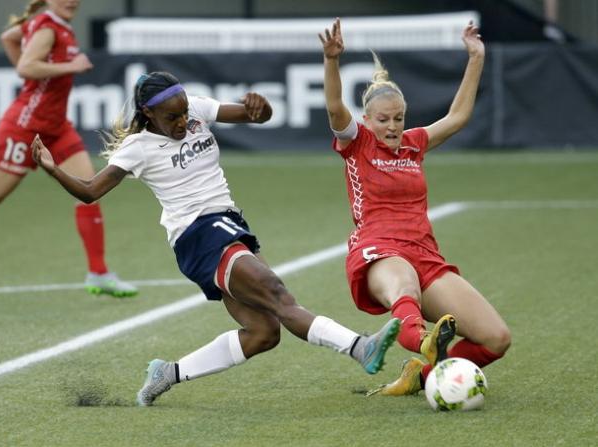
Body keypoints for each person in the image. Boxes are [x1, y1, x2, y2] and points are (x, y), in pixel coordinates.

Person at [31, 70, 402, 406]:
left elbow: (255, 116)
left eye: (183, 113)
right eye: (171, 117)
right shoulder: (138, 148)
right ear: (148, 113)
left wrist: (261, 107)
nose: (182, 122)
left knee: (263, 333)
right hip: (198, 234)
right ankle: (360, 347)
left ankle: (168, 373)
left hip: (226, 224)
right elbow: (90, 191)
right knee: (277, 293)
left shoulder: (196, 110)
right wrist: (51, 169)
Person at [319, 18, 511, 396]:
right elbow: (333, 106)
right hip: (378, 250)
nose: (392, 127)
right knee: (403, 282)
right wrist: (331, 61)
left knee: (496, 338)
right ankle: (422, 339)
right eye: (383, 119)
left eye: (398, 118)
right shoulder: (356, 142)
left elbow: (457, 118)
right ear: (367, 119)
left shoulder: (414, 143)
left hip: (425, 254)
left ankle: (421, 377)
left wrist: (475, 58)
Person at [0, 0, 137, 297]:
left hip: (57, 128)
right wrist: (72, 65)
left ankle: (99, 272)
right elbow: (27, 66)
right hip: (25, 127)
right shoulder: (47, 26)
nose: (71, 1)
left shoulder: (54, 24)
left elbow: (9, 38)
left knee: (89, 191)